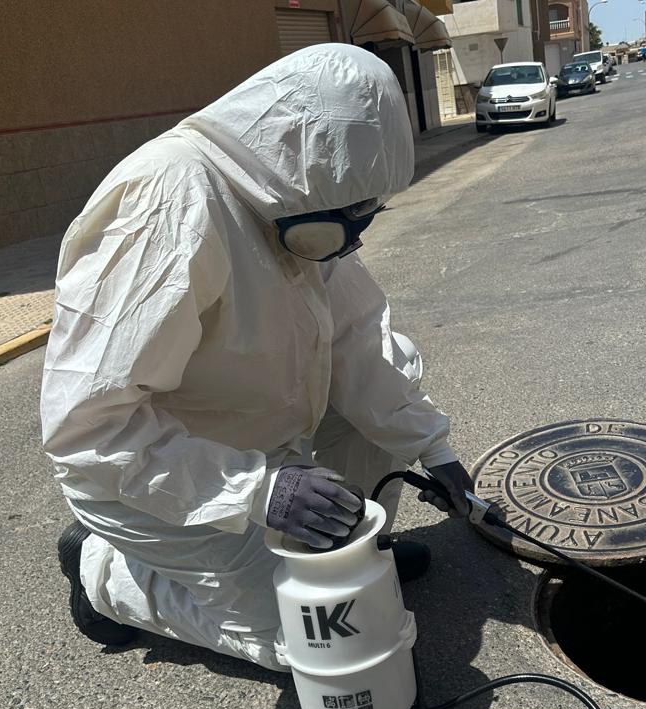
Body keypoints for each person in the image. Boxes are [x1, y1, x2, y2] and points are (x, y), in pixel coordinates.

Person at [40, 44, 473, 672]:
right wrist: (256, 490)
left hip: (263, 440)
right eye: (343, 220)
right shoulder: (169, 208)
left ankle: (350, 555)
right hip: (155, 478)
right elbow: (88, 431)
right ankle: (103, 573)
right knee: (311, 642)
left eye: (365, 216)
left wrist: (434, 449)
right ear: (290, 164)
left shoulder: (303, 196)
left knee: (364, 421)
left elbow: (356, 340)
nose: (349, 238)